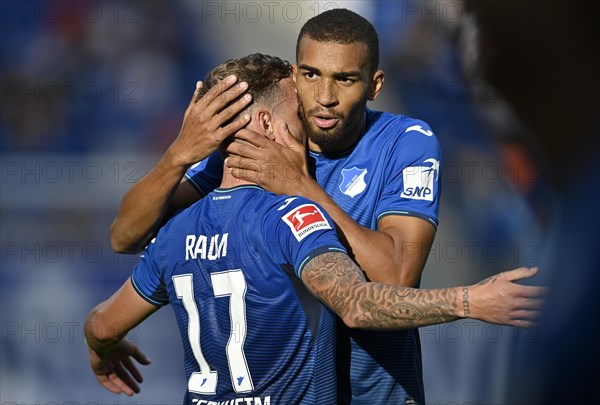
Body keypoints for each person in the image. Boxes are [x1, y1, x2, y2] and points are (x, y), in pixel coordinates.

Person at [87, 54, 544, 404]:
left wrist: (101, 348)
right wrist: (471, 300)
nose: (313, 117)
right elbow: (358, 305)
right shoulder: (291, 215)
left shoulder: (174, 229)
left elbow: (102, 324)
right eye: (298, 111)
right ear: (266, 123)